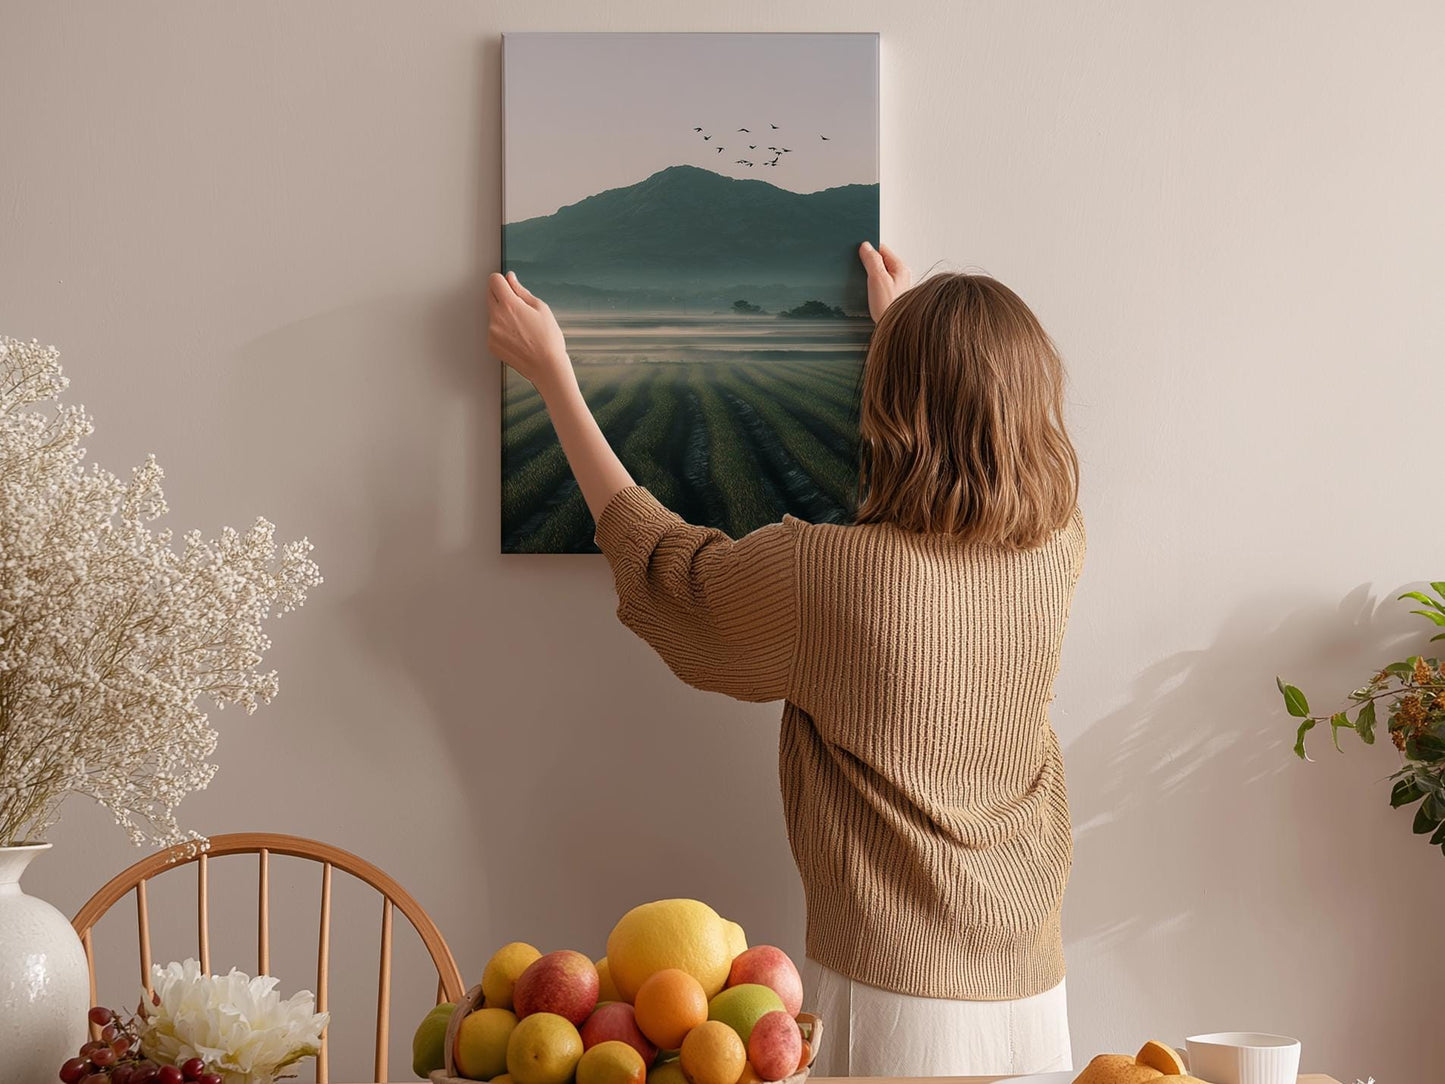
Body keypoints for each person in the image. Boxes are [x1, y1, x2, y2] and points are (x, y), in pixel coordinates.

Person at [485, 242, 1084, 1076]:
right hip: (1033, 992)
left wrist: (554, 376)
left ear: (892, 406)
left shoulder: (828, 574)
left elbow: (669, 571)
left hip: (892, 1000)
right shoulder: (1058, 547)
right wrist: (905, 335)